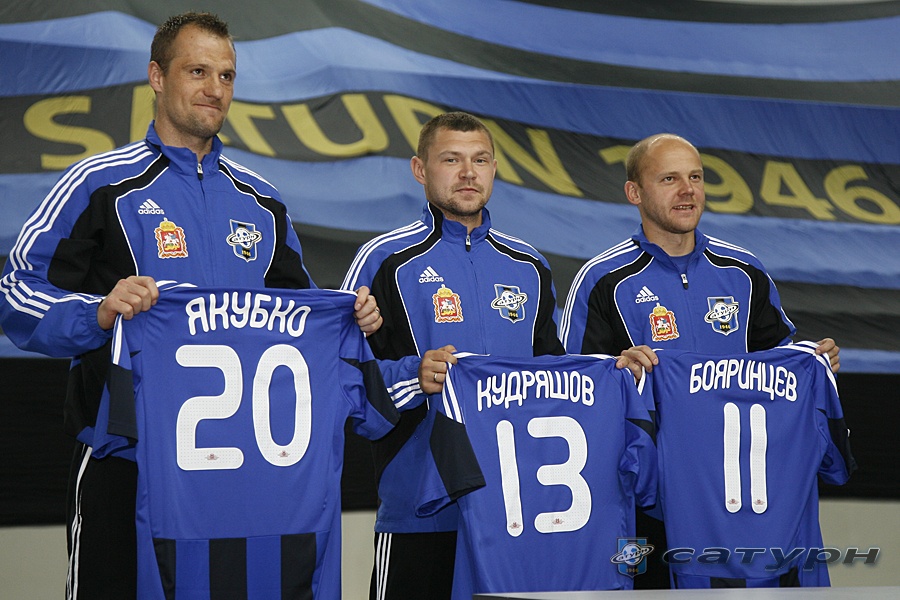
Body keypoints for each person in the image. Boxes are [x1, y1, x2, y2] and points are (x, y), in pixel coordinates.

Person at [0, 12, 381, 599]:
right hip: (127, 462)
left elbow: (301, 318)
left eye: (226, 76)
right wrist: (97, 312)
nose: (215, 89)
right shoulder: (99, 185)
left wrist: (352, 318)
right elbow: (17, 289)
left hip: (243, 471)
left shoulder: (262, 202)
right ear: (157, 76)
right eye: (198, 71)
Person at [559, 132, 841, 588]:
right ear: (634, 192)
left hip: (746, 494)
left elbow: (782, 367)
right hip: (651, 503)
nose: (687, 191)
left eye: (696, 177)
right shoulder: (602, 280)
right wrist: (617, 373)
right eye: (669, 179)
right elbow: (573, 390)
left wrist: (816, 362)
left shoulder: (745, 272)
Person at [341, 111, 565, 600]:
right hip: (419, 510)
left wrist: (614, 371)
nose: (468, 173)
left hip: (517, 509)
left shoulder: (530, 266)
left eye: (480, 160)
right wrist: (413, 377)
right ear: (420, 170)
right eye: (451, 160)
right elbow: (339, 380)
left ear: (494, 168)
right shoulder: (383, 260)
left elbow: (557, 380)